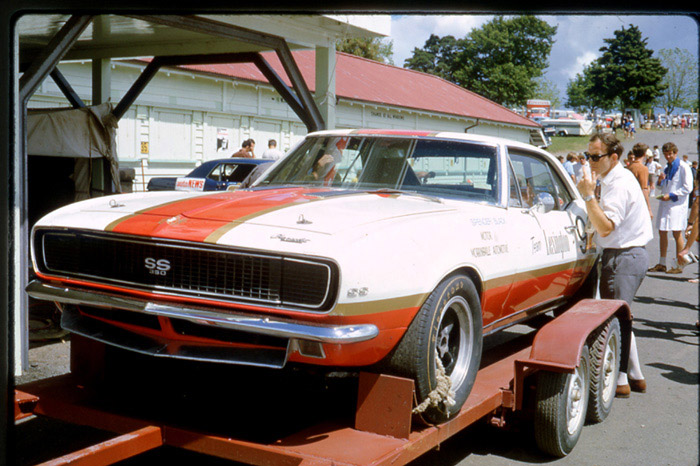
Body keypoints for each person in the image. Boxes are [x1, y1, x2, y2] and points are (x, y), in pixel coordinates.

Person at [577, 132, 652, 397]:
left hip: (623, 257)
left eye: (596, 157)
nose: (591, 161)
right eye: (588, 156)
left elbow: (606, 227)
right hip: (628, 255)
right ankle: (636, 376)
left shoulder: (618, 183)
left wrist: (588, 197)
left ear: (614, 157)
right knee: (622, 316)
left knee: (615, 321)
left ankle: (620, 380)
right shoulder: (615, 178)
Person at [648, 142, 694, 273]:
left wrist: (672, 195)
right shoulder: (667, 167)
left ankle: (679, 265)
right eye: (666, 154)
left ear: (675, 153)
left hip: (677, 205)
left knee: (676, 232)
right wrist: (659, 181)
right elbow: (662, 186)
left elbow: (688, 188)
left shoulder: (683, 167)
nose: (668, 157)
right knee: (662, 231)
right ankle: (662, 263)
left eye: (670, 154)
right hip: (665, 203)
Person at [628, 143, 653, 219]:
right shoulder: (643, 168)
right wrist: (649, 209)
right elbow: (644, 189)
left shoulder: (629, 167)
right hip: (638, 202)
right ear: (644, 154)